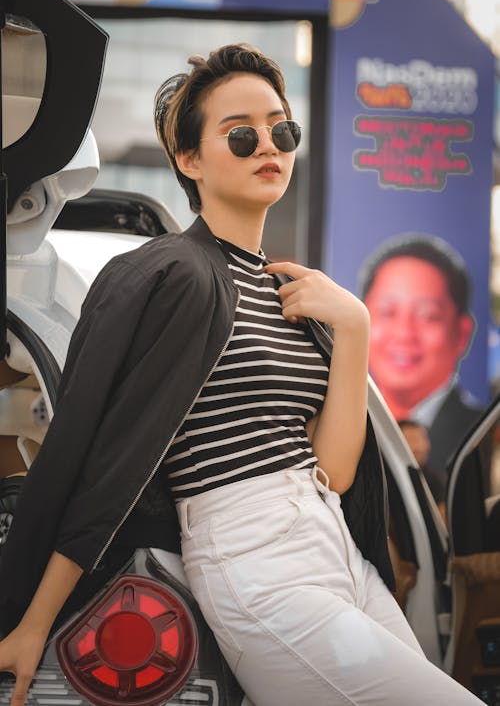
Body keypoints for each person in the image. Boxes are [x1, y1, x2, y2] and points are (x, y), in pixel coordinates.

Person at [0, 44, 482, 706]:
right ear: (190, 161)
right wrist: (31, 620)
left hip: (331, 545)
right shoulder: (173, 274)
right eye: (241, 134)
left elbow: (335, 472)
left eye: (282, 129)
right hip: (255, 562)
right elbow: (104, 457)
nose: (269, 146)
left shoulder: (291, 295)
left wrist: (357, 327)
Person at [359, 234, 483, 473]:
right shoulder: (343, 423)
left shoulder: (479, 432)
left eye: (428, 316)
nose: (405, 333)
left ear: (462, 333)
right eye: (387, 312)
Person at [398, 418, 447, 522]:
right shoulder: (385, 476)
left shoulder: (434, 479)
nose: (420, 446)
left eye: (423, 438)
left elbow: (442, 522)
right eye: (412, 439)